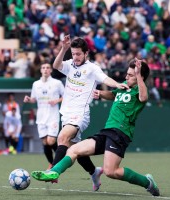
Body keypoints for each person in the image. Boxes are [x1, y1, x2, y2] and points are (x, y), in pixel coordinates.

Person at [31, 58, 160, 197]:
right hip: (107, 131)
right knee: (74, 149)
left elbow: (144, 97)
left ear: (140, 77)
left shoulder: (139, 90)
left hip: (120, 133)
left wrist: (139, 75)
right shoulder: (124, 86)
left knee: (111, 172)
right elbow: (113, 94)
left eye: (130, 75)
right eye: (127, 74)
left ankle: (147, 182)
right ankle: (53, 172)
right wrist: (100, 94)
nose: (126, 76)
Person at [45, 35, 129, 191]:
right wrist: (64, 49)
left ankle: (53, 171)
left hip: (80, 113)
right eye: (73, 53)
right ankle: (94, 172)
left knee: (62, 137)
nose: (75, 57)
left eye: (78, 54)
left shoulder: (92, 68)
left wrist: (117, 84)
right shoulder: (70, 64)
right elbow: (56, 66)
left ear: (86, 53)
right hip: (66, 113)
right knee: (75, 149)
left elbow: (105, 79)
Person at [24, 63, 64, 169]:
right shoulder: (36, 84)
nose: (45, 69)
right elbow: (33, 99)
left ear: (50, 70)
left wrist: (57, 100)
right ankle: (52, 163)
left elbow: (65, 96)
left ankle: (60, 159)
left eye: (47, 68)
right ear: (41, 70)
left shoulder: (57, 83)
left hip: (53, 116)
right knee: (45, 142)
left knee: (51, 141)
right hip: (41, 117)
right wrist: (28, 99)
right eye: (43, 68)